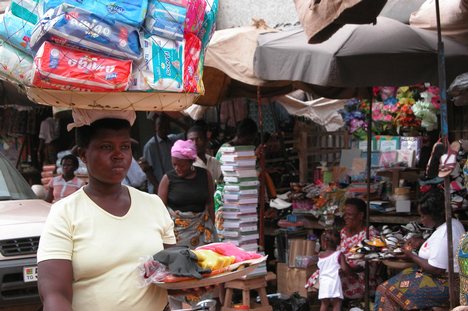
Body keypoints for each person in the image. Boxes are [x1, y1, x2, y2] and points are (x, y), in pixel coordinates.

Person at [37, 109, 177, 311]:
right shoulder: (64, 213)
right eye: (106, 147)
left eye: (125, 147)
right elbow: (55, 294)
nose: (119, 155)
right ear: (84, 154)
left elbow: (174, 273)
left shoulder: (153, 205)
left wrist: (192, 283)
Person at [374, 189, 465, 310]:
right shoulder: (450, 224)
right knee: (397, 281)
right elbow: (441, 248)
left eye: (423, 216)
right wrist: (422, 243)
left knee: (385, 291)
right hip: (442, 278)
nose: (421, 220)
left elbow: (436, 269)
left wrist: (410, 255)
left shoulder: (447, 231)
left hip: (446, 284)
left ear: (434, 215)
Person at [306, 198, 380, 300]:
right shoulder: (343, 232)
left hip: (359, 279)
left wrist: (344, 269)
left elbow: (363, 267)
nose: (345, 217)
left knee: (330, 280)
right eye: (345, 214)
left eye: (349, 214)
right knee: (322, 275)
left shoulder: (370, 236)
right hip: (341, 272)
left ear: (360, 216)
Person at [158, 139, 216, 248]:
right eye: (174, 164)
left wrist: (213, 225)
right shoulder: (168, 179)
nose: (177, 168)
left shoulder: (205, 175)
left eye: (182, 165)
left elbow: (210, 203)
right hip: (178, 232)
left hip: (202, 230)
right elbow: (160, 208)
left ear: (191, 162)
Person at [140, 113, 182, 194]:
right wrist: (160, 188)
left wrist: (173, 120)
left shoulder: (172, 139)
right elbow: (148, 171)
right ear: (155, 127)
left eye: (166, 125)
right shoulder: (150, 146)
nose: (163, 128)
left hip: (173, 187)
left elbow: (189, 131)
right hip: (158, 189)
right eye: (160, 125)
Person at [318, 229, 352, 311]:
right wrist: (347, 272)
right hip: (334, 282)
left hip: (323, 283)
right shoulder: (339, 254)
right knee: (337, 303)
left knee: (324, 304)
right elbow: (345, 269)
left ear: (324, 242)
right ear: (339, 243)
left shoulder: (320, 255)